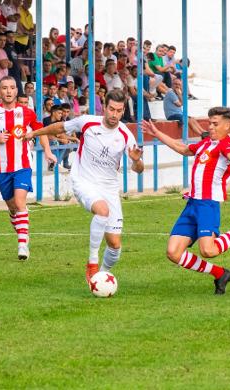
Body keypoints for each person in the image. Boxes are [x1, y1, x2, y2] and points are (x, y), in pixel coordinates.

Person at [141, 107, 230, 295]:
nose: (211, 127)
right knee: (173, 253)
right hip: (192, 205)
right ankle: (220, 274)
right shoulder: (206, 143)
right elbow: (182, 148)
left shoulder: (226, 144)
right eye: (209, 123)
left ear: (227, 125)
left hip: (208, 204)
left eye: (215, 124)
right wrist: (157, 133)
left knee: (208, 250)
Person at [26, 89, 144, 283]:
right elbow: (59, 128)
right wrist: (34, 133)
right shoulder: (87, 121)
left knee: (114, 245)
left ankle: (101, 276)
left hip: (109, 188)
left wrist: (136, 161)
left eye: (119, 111)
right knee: (102, 211)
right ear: (104, 108)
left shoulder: (125, 134)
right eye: (111, 109)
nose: (114, 115)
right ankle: (92, 263)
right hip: (84, 181)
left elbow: (138, 169)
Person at [0, 76, 56, 261]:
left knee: (20, 203)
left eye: (12, 88)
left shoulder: (27, 112)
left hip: (22, 165)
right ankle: (22, 230)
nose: (8, 91)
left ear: (16, 91)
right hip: (2, 167)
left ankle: (22, 244)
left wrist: (47, 150)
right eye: (4, 88)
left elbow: (40, 130)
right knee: (12, 207)